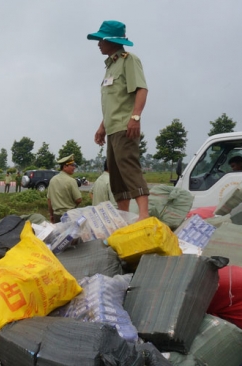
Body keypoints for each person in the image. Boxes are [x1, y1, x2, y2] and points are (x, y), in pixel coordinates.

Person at [89, 20, 150, 220]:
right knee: (117, 177)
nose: (98, 44)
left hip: (125, 126)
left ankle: (143, 215)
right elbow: (112, 102)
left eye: (101, 40)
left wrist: (135, 117)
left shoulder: (128, 60)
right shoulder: (110, 67)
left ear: (112, 41)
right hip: (112, 128)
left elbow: (141, 89)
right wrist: (101, 127)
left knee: (129, 169)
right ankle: (124, 217)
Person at [47, 155, 83, 223]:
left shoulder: (52, 180)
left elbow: (49, 200)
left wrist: (51, 215)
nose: (74, 167)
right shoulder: (71, 181)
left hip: (56, 215)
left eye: (74, 165)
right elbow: (79, 199)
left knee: (59, 233)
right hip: (70, 216)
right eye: (72, 165)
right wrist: (73, 206)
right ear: (65, 166)